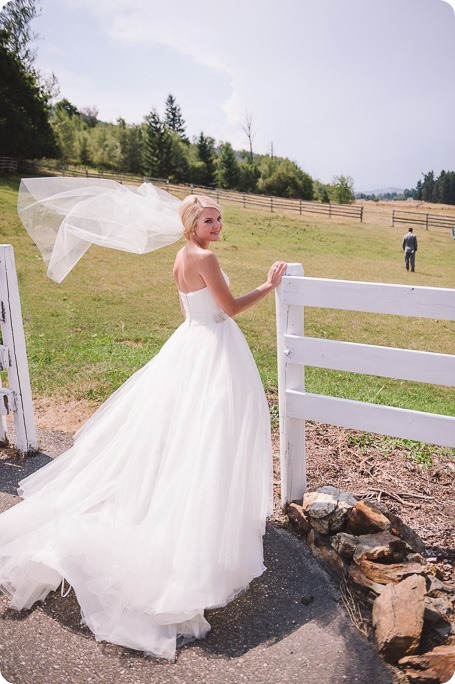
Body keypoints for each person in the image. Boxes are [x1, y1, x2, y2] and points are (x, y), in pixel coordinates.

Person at [0, 189, 287, 660]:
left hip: (190, 342)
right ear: (192, 225)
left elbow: (187, 308)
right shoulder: (205, 259)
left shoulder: (181, 256)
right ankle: (199, 524)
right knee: (210, 435)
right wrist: (270, 285)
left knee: (186, 435)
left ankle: (193, 507)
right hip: (212, 348)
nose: (217, 226)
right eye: (210, 221)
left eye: (219, 219)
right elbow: (231, 308)